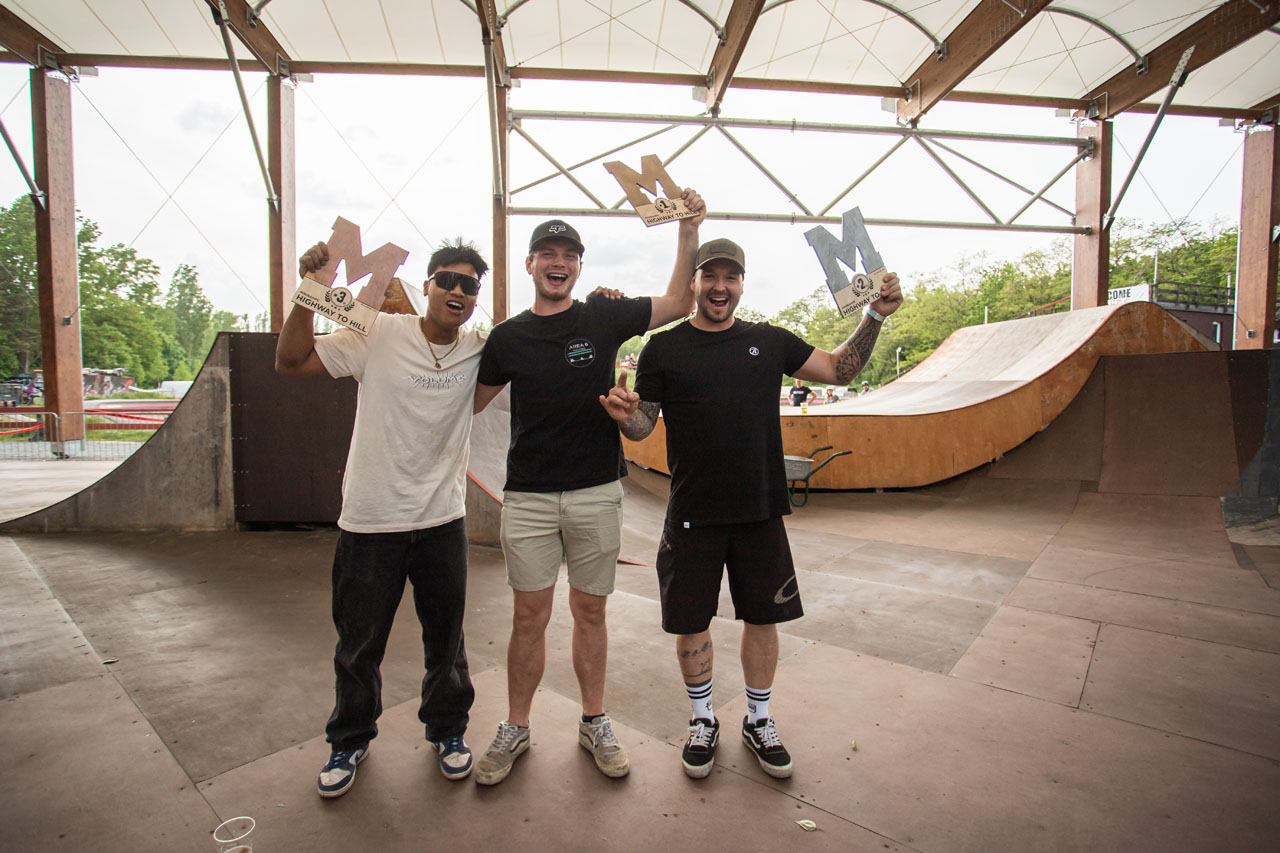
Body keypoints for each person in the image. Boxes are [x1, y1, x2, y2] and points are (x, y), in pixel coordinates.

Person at [599, 237, 901, 780]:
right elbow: (645, 423)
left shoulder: (769, 341)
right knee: (692, 622)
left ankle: (758, 719)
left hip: (760, 510)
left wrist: (876, 315)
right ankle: (702, 720)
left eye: (730, 277)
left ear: (741, 284)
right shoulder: (663, 349)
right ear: (693, 283)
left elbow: (839, 371)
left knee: (763, 617)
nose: (720, 286)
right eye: (709, 276)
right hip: (691, 511)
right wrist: (625, 417)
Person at [470, 189, 706, 786]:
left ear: (579, 265)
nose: (558, 262)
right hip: (525, 496)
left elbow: (680, 299)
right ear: (528, 264)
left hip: (597, 491)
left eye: (568, 254)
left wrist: (688, 229)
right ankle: (516, 728)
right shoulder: (506, 338)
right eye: (546, 252)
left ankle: (594, 721)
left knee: (591, 611)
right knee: (529, 616)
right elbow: (462, 406)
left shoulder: (603, 316)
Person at [276, 237, 490, 797]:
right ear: (426, 285)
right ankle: (349, 740)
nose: (457, 291)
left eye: (470, 284)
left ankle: (448, 731)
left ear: (476, 297)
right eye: (447, 279)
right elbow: (291, 361)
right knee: (358, 644)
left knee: (446, 642)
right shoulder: (376, 332)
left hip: (442, 521)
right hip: (371, 523)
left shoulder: (479, 350)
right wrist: (310, 292)